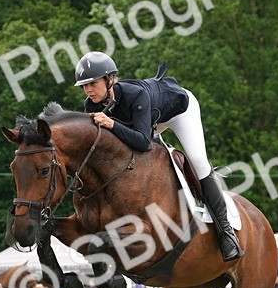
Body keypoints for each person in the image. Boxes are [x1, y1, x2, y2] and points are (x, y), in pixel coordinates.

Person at [75, 51, 242, 261]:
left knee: (198, 161)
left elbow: (143, 142)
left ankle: (225, 232)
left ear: (110, 79)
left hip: (178, 111)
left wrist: (112, 124)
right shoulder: (91, 105)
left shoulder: (136, 95)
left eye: (93, 83)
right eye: (84, 86)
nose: (88, 90)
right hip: (148, 120)